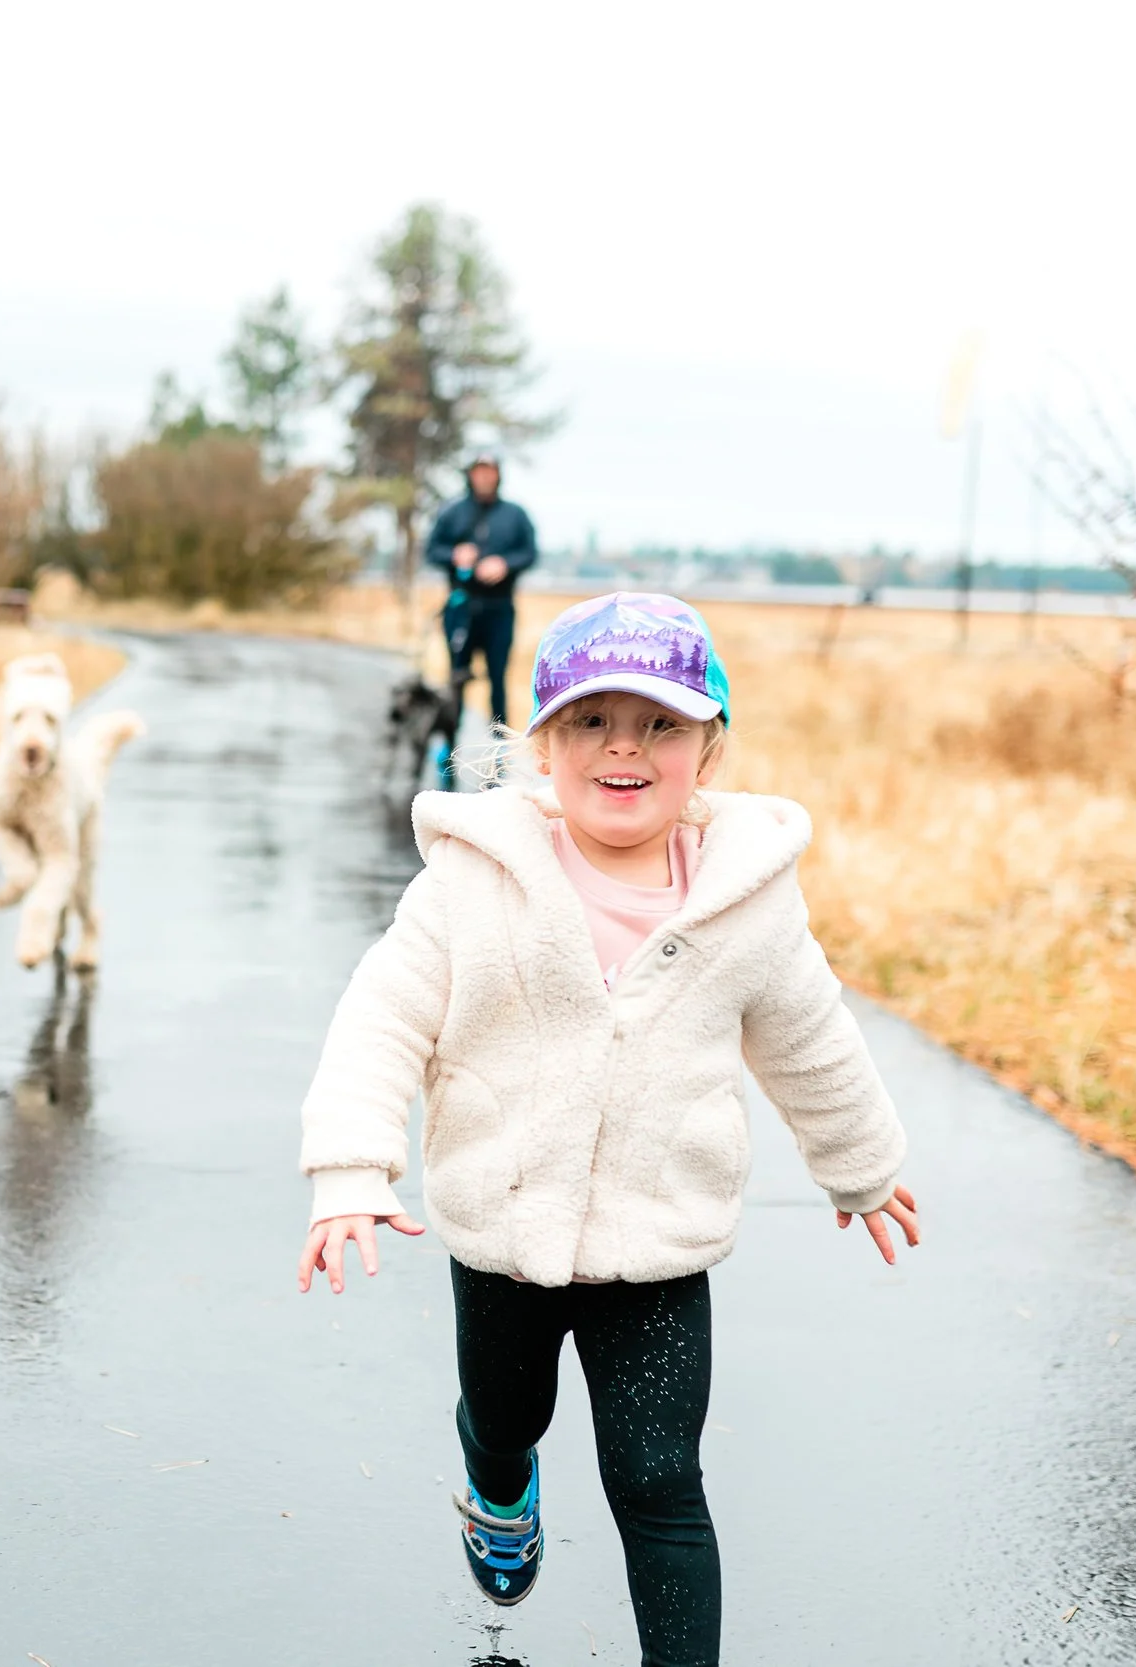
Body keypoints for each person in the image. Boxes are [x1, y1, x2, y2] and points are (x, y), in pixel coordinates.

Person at [294, 593, 920, 1667]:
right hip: (504, 1234)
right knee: (506, 1416)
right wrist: (351, 1165)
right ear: (543, 743)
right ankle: (496, 1485)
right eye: (591, 721)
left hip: (657, 1247)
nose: (624, 744)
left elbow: (809, 1035)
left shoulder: (744, 897)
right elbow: (381, 1018)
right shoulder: (471, 879)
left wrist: (861, 1164)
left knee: (659, 1480)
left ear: (706, 751)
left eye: (660, 724)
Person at [424, 452, 538, 730]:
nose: (484, 477)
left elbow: (530, 553)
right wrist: (454, 555)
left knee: (498, 680)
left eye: (490, 471)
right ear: (470, 475)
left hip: (499, 608)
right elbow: (431, 550)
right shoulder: (452, 511)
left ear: (498, 475)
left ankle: (498, 758)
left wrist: (505, 564)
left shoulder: (515, 514)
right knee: (456, 679)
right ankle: (450, 753)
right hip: (460, 608)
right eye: (478, 471)